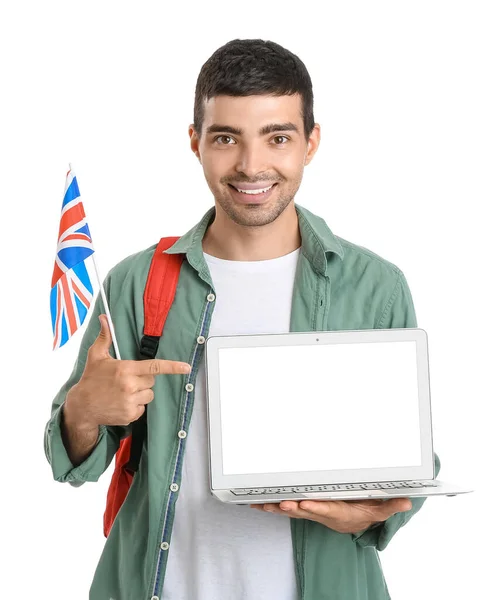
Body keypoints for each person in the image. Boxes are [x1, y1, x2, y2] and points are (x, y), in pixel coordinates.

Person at [44, 38, 440, 600]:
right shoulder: (137, 283)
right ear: (195, 142)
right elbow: (71, 461)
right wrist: (84, 410)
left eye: (277, 137)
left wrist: (369, 516)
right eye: (226, 138)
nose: (252, 166)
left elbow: (409, 462)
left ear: (311, 142)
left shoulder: (374, 286)